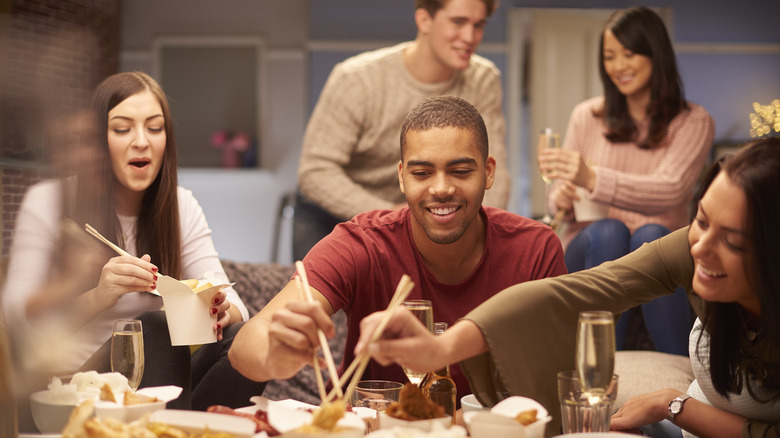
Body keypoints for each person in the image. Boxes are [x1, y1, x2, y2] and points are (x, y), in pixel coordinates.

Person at [358, 137, 780, 437]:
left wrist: (674, 404)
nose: (701, 248)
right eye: (701, 221)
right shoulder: (692, 250)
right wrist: (441, 350)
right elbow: (578, 291)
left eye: (733, 242)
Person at [230, 96, 566, 402]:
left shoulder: (535, 248)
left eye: (460, 171)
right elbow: (246, 342)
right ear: (402, 177)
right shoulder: (362, 243)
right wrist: (273, 355)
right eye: (422, 173)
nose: (442, 188)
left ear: (488, 172)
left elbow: (556, 377)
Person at [1, 72, 267, 417]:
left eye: (154, 128)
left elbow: (234, 304)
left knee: (248, 339)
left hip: (155, 391)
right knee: (154, 326)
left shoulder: (180, 205)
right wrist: (98, 296)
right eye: (122, 129)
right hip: (71, 390)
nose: (141, 141)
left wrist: (217, 309)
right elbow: (15, 321)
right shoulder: (51, 201)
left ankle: (189, 427)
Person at [537, 7, 715, 356]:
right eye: (609, 57)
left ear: (656, 54)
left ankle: (681, 374)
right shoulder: (587, 116)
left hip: (658, 243)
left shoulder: (693, 121)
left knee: (651, 236)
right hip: (591, 243)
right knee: (608, 231)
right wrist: (563, 197)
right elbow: (557, 195)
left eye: (629, 54)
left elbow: (673, 188)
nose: (618, 66)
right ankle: (599, 366)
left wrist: (592, 177)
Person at [293, 0, 510, 261]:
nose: (470, 37)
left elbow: (491, 167)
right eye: (458, 22)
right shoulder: (358, 79)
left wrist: (479, 227)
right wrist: (392, 215)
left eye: (478, 25)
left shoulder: (483, 79)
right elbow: (315, 171)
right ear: (424, 20)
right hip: (333, 215)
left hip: (417, 215)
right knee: (319, 299)